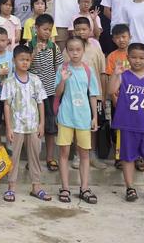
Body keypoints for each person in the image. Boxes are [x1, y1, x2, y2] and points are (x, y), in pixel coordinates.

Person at [110, 43, 144, 204]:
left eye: (141, 58)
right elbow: (110, 91)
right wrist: (115, 74)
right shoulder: (124, 76)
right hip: (128, 125)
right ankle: (130, 187)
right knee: (127, 158)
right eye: (133, 57)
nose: (137, 61)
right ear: (128, 58)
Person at [2, 45, 50, 202]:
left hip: (33, 126)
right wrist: (8, 127)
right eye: (22, 59)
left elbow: (41, 103)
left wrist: (42, 124)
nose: (25, 63)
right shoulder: (9, 81)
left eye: (28, 60)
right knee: (13, 158)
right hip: (16, 127)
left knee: (35, 156)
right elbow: (7, 105)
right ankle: (11, 187)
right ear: (14, 60)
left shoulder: (35, 80)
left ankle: (36, 186)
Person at [56, 36, 99, 205]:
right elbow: (57, 93)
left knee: (84, 155)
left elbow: (93, 95)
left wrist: (95, 116)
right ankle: (65, 187)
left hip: (83, 118)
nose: (75, 53)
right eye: (71, 50)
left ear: (83, 50)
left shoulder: (88, 71)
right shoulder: (63, 68)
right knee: (64, 154)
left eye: (78, 49)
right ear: (66, 51)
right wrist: (63, 80)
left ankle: (84, 188)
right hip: (66, 116)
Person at [70, 16, 107, 170]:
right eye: (77, 29)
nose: (81, 32)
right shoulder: (70, 49)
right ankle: (78, 155)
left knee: (93, 124)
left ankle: (91, 154)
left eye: (84, 29)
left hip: (94, 95)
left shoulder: (96, 49)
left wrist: (103, 96)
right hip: (76, 96)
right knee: (76, 124)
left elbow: (103, 73)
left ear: (90, 31)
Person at [28, 14, 64, 172]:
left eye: (50, 30)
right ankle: (32, 158)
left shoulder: (54, 47)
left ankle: (50, 158)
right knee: (33, 128)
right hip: (32, 94)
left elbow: (59, 68)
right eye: (44, 29)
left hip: (49, 93)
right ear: (36, 29)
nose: (47, 33)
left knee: (50, 127)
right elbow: (25, 65)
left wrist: (58, 89)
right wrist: (35, 51)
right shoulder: (29, 45)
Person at [105, 23, 131, 169]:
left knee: (133, 127)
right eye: (118, 37)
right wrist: (114, 98)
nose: (121, 40)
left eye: (124, 36)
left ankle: (135, 155)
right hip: (119, 98)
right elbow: (109, 78)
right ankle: (118, 156)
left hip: (134, 98)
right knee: (118, 128)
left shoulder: (135, 53)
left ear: (130, 37)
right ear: (113, 40)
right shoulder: (112, 56)